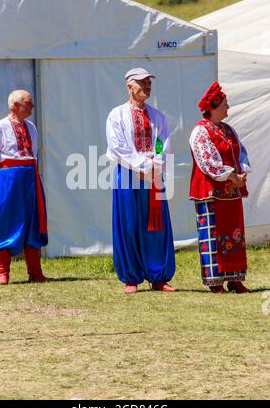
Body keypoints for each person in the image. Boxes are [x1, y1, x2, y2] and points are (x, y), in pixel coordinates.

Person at [106, 68, 177, 294]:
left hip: (153, 173)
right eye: (142, 83)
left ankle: (158, 276)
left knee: (155, 223)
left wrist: (154, 164)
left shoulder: (158, 116)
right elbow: (117, 147)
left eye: (149, 83)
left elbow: (164, 144)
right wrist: (142, 166)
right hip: (128, 173)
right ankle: (131, 277)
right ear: (129, 86)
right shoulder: (116, 115)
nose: (147, 86)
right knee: (129, 223)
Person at [189, 82, 251, 293]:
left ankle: (235, 278)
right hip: (210, 193)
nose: (228, 107)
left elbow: (241, 152)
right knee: (213, 234)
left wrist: (242, 172)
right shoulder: (200, 132)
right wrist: (231, 176)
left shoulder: (228, 130)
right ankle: (215, 282)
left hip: (231, 193)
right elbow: (208, 162)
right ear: (214, 106)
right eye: (225, 103)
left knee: (234, 234)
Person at [0, 90, 48, 285]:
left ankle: (35, 272)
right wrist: (2, 181)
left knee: (32, 220)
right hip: (9, 179)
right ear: (15, 106)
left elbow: (33, 153)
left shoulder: (31, 127)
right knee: (7, 221)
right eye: (28, 102)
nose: (32, 106)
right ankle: (3, 273)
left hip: (30, 177)